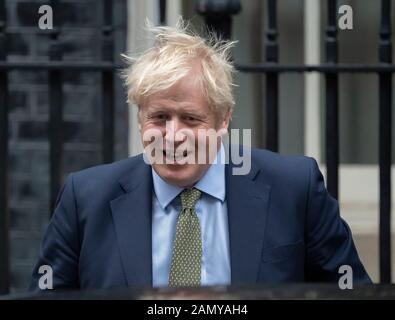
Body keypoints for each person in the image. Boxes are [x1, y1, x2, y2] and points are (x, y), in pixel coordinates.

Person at [29, 20, 371, 291]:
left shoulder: (294, 189)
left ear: (224, 119)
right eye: (159, 117)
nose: (173, 136)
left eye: (191, 119)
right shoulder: (85, 198)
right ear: (139, 118)